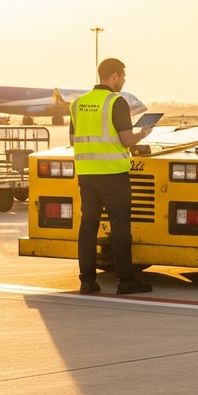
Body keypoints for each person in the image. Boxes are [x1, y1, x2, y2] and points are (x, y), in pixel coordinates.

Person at [71, 58, 153, 295]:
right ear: (114, 76)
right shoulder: (116, 102)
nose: (124, 80)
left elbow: (72, 140)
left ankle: (87, 281)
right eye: (123, 76)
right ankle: (126, 280)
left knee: (88, 225)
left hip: (86, 173)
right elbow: (127, 140)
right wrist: (143, 134)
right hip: (113, 173)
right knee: (119, 226)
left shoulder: (78, 104)